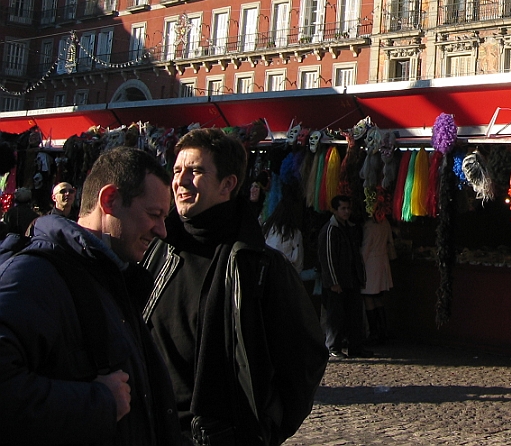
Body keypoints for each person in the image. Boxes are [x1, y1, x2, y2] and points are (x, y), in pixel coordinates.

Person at [143, 128, 327, 446]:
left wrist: (265, 430)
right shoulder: (155, 250)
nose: (180, 181)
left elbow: (304, 358)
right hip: (151, 428)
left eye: (196, 171)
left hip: (219, 437)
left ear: (227, 184)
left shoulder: (260, 265)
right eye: (177, 171)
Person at [0, 146, 179, 445]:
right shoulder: (36, 276)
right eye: (153, 214)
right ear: (109, 200)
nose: (162, 230)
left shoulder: (113, 279)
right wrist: (98, 403)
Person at [318, 195, 371, 358]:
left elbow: (356, 255)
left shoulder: (351, 228)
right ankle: (333, 347)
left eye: (348, 208)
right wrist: (333, 281)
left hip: (352, 279)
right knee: (336, 316)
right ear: (335, 210)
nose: (346, 211)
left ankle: (356, 347)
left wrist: (361, 277)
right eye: (343, 208)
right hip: (337, 281)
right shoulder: (330, 230)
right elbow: (327, 258)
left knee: (355, 315)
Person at [361, 215, 396, 344]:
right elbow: (390, 241)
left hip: (371, 264)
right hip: (382, 262)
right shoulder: (385, 222)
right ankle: (383, 330)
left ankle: (374, 331)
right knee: (378, 298)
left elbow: (366, 248)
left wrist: (359, 266)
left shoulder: (370, 226)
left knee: (369, 297)